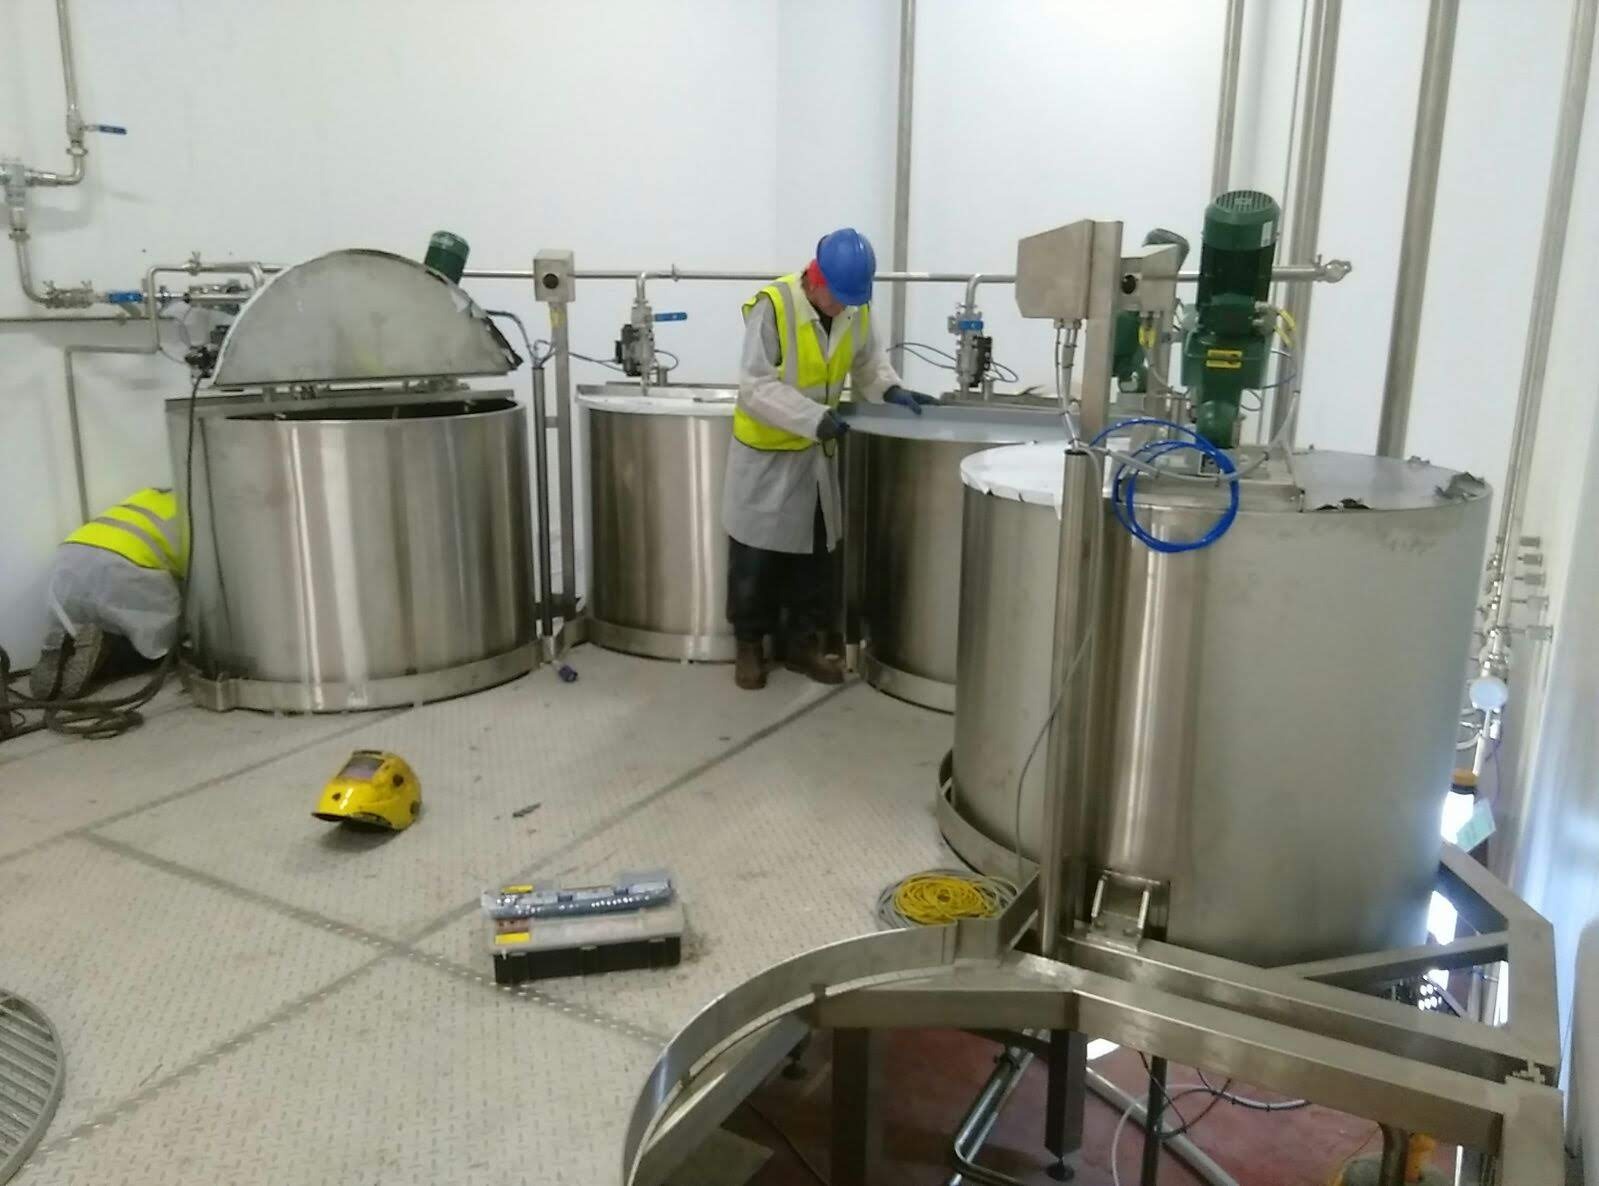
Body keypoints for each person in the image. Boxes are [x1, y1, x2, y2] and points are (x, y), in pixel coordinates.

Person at [723, 228, 936, 691]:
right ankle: (748, 647)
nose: (844, 307)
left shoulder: (855, 309)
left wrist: (890, 388)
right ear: (815, 279)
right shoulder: (774, 306)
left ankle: (803, 646)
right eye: (838, 298)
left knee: (814, 559)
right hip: (767, 455)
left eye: (851, 300)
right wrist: (811, 417)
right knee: (755, 560)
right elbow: (755, 386)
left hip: (815, 458)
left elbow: (868, 362)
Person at [30, 487, 186, 699]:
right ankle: (108, 652)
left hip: (70, 557)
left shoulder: (155, 495)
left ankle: (66, 643)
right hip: (125, 564)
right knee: (164, 649)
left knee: (93, 628)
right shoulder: (200, 513)